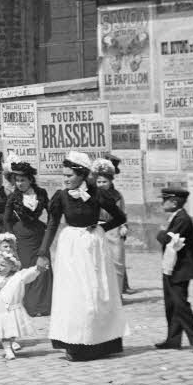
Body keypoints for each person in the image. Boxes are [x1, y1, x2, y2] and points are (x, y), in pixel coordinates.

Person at [36, 151, 127, 361]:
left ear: (82, 175)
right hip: (71, 248)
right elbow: (51, 225)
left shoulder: (97, 194)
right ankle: (74, 344)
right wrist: (43, 253)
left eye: (69, 175)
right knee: (73, 295)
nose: (65, 179)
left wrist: (100, 229)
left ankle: (99, 343)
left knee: (95, 292)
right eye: (64, 175)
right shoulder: (60, 197)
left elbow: (119, 216)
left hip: (93, 246)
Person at [154, 187, 193, 353]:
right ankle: (173, 340)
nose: (162, 203)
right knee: (172, 303)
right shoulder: (176, 217)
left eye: (164, 199)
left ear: (174, 202)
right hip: (172, 266)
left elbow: (168, 239)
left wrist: (160, 232)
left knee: (180, 304)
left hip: (180, 268)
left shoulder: (182, 219)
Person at [4, 158, 52, 317]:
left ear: (30, 179)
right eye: (17, 180)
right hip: (21, 237)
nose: (19, 183)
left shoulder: (41, 193)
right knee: (26, 270)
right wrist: (12, 237)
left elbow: (52, 214)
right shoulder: (13, 197)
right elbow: (6, 219)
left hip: (39, 235)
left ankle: (43, 305)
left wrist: (48, 228)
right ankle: (29, 307)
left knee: (41, 268)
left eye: (22, 180)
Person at [0, 249, 43, 360]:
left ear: (12, 266)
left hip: (15, 309)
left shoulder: (18, 276)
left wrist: (38, 268)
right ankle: (7, 350)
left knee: (12, 330)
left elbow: (30, 273)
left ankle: (11, 344)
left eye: (3, 265)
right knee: (5, 331)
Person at [93, 156, 132, 294]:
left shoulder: (117, 196)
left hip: (114, 231)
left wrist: (123, 226)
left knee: (117, 263)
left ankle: (117, 294)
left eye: (104, 181)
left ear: (110, 182)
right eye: (99, 181)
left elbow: (122, 212)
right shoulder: (92, 196)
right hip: (97, 229)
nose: (101, 184)